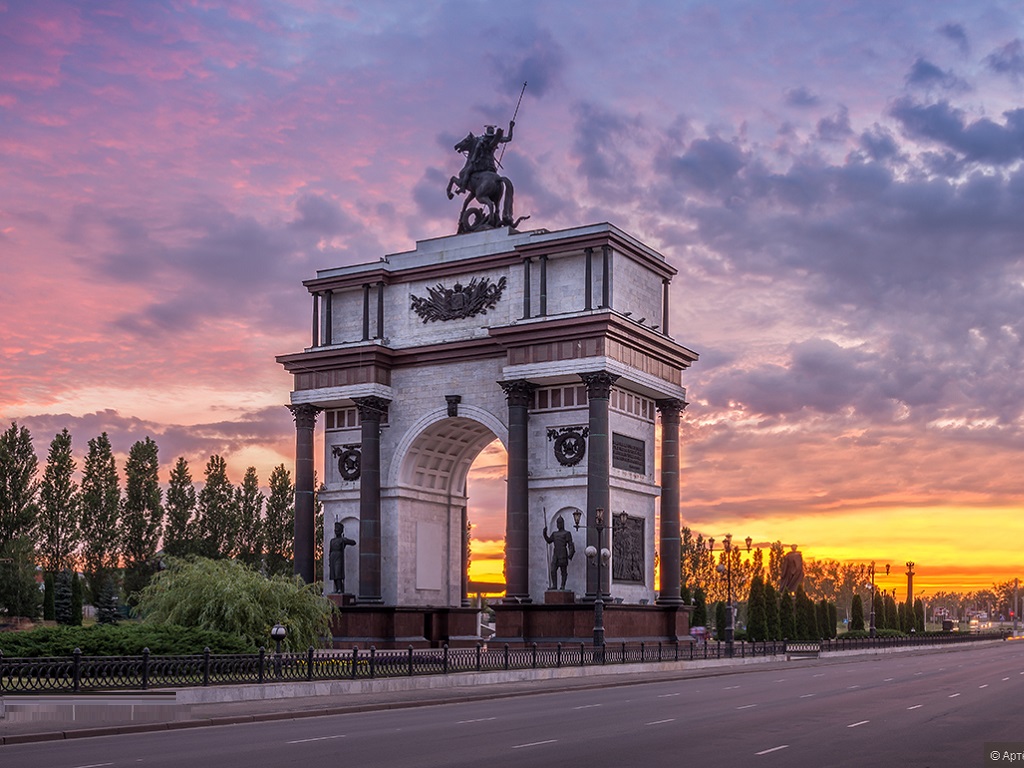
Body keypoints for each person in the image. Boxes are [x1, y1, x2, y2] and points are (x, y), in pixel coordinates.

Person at [542, 516, 575, 590]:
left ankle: (562, 586)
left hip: (563, 553)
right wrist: (544, 533)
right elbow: (549, 541)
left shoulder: (567, 533)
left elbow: (570, 544)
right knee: (553, 570)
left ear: (563, 523)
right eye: (558, 523)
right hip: (556, 554)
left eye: (560, 523)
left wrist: (570, 554)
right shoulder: (554, 534)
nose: (559, 524)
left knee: (563, 571)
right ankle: (554, 585)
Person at [329, 521, 357, 594]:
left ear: (341, 531)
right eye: (335, 529)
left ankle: (340, 589)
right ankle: (337, 589)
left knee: (338, 573)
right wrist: (329, 560)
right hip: (332, 557)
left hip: (339, 556)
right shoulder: (332, 541)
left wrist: (345, 540)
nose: (336, 531)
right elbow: (330, 551)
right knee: (333, 574)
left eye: (338, 529)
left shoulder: (342, 539)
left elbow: (353, 542)